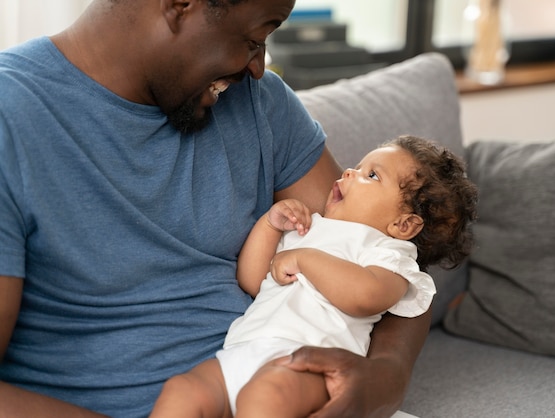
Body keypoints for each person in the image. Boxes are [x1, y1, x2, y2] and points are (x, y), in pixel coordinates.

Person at [0, 1, 438, 417]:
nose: (258, 67)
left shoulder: (260, 102)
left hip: (277, 387)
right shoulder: (13, 117)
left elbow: (383, 251)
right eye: (252, 40)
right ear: (180, 5)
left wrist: (386, 377)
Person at [150, 135, 478, 418]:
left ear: (404, 225)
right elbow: (252, 280)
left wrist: (305, 259)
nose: (350, 172)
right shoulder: (310, 228)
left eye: (372, 175)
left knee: (265, 397)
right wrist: (270, 225)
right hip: (244, 350)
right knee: (184, 390)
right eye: (359, 166)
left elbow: (367, 296)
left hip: (308, 364)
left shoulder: (387, 253)